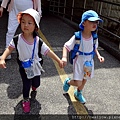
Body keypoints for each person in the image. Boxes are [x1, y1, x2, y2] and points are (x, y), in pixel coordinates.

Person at [0, 8, 63, 113]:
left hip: (36, 66)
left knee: (36, 83)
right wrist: (2, 58)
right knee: (26, 83)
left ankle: (34, 86)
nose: (26, 25)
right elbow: (9, 49)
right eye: (23, 22)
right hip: (23, 67)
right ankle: (25, 99)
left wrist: (58, 60)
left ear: (35, 27)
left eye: (30, 23)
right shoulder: (17, 39)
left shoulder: (38, 42)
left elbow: (48, 52)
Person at [62, 10, 105, 104]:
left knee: (85, 79)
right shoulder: (77, 37)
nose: (95, 24)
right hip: (79, 61)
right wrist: (64, 57)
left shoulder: (94, 37)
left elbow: (94, 48)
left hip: (89, 61)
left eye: (96, 22)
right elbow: (66, 46)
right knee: (78, 82)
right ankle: (68, 82)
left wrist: (99, 56)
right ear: (84, 22)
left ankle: (78, 93)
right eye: (92, 21)